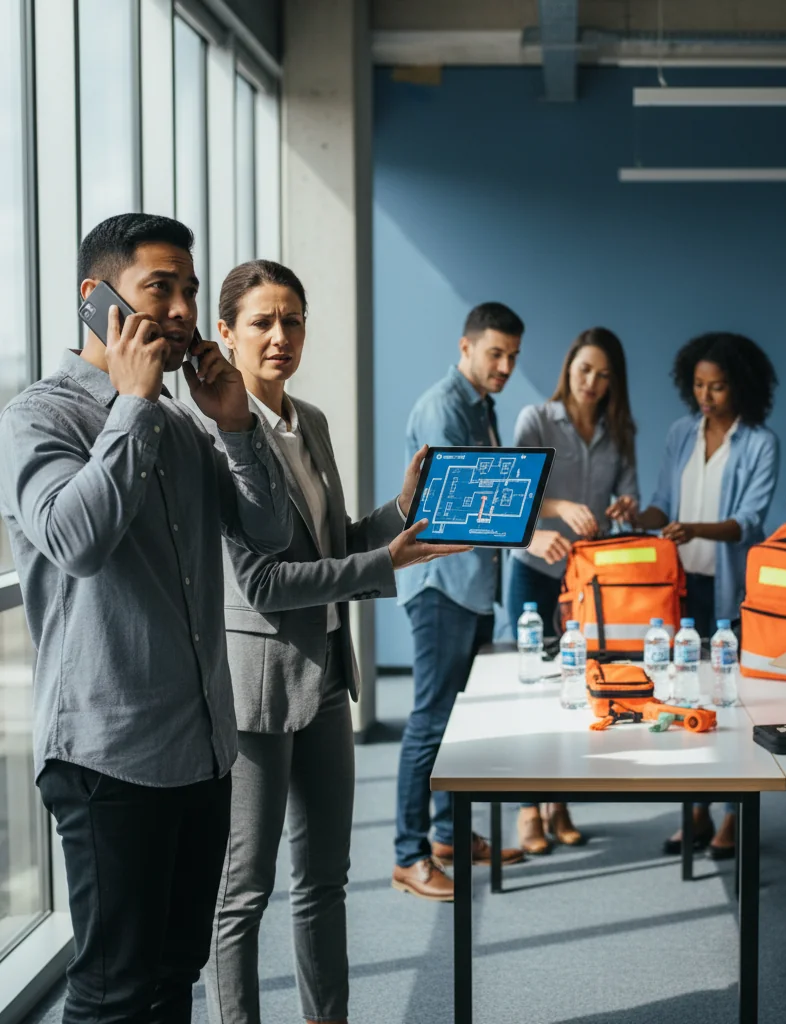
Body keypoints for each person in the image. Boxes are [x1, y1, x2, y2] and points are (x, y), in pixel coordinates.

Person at [0, 214, 292, 1024]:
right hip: (109, 755)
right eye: (158, 288)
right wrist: (131, 403)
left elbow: (267, 533)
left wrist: (234, 425)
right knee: (111, 990)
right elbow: (75, 539)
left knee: (174, 972)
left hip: (199, 747)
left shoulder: (186, 425)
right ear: (97, 301)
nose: (181, 310)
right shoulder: (38, 418)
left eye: (189, 291)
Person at [205, 262, 467, 1024]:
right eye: (261, 322)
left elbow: (332, 545)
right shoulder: (219, 436)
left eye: (292, 320)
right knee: (245, 889)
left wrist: (396, 513)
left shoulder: (309, 421)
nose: (280, 336)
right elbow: (264, 583)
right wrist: (385, 563)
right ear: (226, 333)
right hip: (255, 687)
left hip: (324, 676)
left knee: (325, 876)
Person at [392, 303, 528, 900]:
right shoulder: (443, 408)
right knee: (430, 720)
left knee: (458, 722)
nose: (505, 366)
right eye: (495, 353)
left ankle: (450, 835)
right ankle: (409, 854)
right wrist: (523, 519)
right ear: (466, 347)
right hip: (441, 585)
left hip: (471, 585)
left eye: (513, 357)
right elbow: (462, 505)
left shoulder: (482, 406)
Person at [636, 332, 779, 860]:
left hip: (729, 593)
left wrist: (692, 528)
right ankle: (694, 810)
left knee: (732, 702)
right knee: (682, 696)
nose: (706, 396)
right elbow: (660, 506)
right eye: (698, 385)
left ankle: (733, 818)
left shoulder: (760, 442)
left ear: (740, 388)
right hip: (680, 589)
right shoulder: (680, 433)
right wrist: (635, 514)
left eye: (717, 387)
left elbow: (748, 523)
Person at [508, 326, 639, 855]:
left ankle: (558, 802)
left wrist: (624, 508)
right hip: (534, 570)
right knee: (531, 688)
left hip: (588, 581)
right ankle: (526, 807)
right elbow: (513, 498)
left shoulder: (619, 431)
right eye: (585, 369)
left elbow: (630, 495)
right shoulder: (536, 419)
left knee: (576, 689)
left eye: (604, 375)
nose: (592, 381)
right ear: (568, 368)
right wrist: (560, 510)